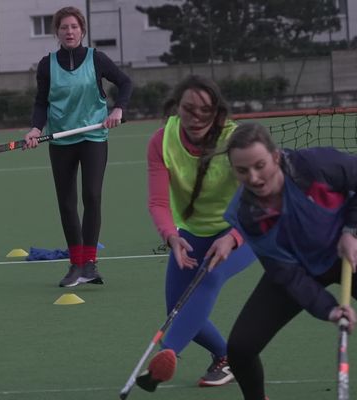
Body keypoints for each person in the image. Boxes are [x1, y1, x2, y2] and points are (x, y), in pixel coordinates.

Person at [136, 75, 256, 392]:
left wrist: (232, 238)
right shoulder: (161, 141)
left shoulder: (237, 140)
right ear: (177, 108)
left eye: (205, 109)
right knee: (176, 307)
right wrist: (171, 236)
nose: (196, 117)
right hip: (191, 233)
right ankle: (225, 356)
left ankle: (167, 356)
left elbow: (258, 199)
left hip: (242, 230)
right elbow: (159, 202)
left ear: (217, 112)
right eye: (189, 108)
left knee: (210, 274)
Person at [223, 122, 357, 400]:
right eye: (243, 170)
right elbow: (287, 274)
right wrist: (329, 309)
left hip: (348, 249)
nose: (254, 177)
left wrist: (350, 230)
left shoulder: (315, 166)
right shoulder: (246, 214)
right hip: (299, 266)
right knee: (240, 348)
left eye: (260, 165)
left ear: (275, 156)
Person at [23, 6, 132, 288]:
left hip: (93, 137)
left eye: (74, 27)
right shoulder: (47, 64)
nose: (69, 32)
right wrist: (36, 128)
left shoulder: (97, 59)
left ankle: (90, 264)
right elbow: (41, 102)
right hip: (61, 140)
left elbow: (125, 82)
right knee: (67, 203)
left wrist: (118, 109)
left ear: (82, 31)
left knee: (92, 197)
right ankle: (76, 265)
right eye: (64, 28)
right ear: (57, 32)